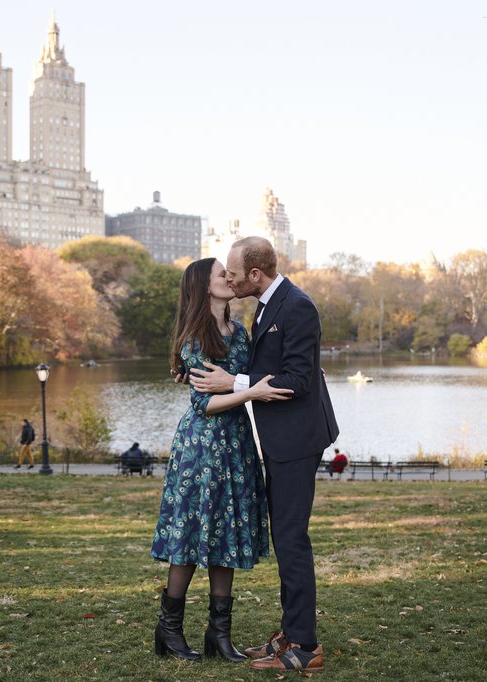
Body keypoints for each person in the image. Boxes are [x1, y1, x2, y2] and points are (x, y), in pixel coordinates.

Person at [190, 236, 339, 672]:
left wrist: (232, 383)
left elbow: (297, 379)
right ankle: (290, 633)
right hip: (281, 440)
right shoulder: (269, 305)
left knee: (292, 542)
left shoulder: (296, 305)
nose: (230, 280)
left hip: (297, 441)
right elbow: (289, 361)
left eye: (234, 274)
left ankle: (305, 649)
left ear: (256, 274)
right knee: (285, 539)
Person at [151, 257, 291, 663]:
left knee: (224, 534)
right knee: (194, 533)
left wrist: (254, 387)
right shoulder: (194, 336)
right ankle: (169, 631)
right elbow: (204, 403)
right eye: (220, 274)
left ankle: (219, 635)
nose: (228, 278)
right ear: (202, 286)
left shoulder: (240, 332)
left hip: (236, 442)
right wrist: (249, 394)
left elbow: (253, 376)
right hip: (201, 446)